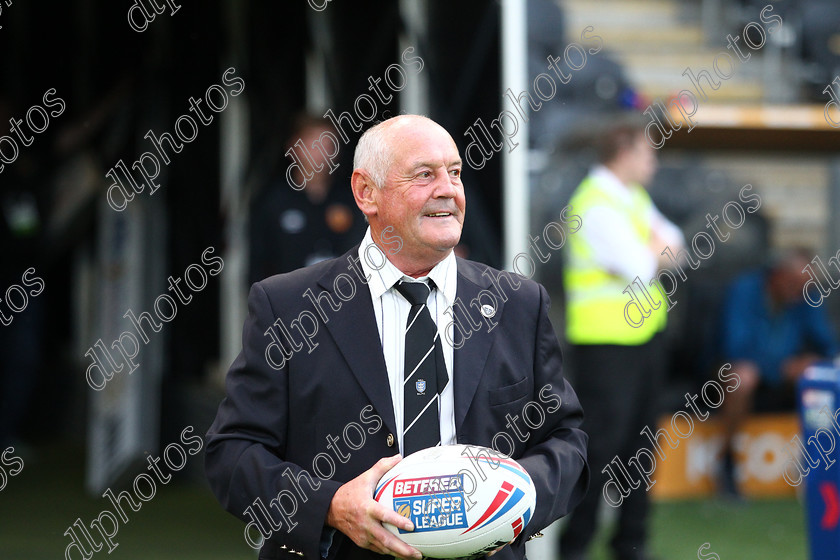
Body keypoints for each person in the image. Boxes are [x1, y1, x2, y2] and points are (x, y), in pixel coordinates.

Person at [205, 115, 589, 560]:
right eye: (425, 174)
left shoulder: (518, 304)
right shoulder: (287, 305)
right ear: (366, 192)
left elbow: (566, 440)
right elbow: (232, 455)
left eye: (455, 173)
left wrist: (511, 503)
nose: (447, 189)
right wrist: (328, 506)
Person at [560, 114, 685, 560]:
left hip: (642, 342)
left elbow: (677, 244)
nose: (653, 162)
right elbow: (644, 263)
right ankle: (574, 546)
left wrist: (653, 252)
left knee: (640, 449)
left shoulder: (629, 197)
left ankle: (630, 544)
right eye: (648, 152)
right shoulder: (593, 204)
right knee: (601, 448)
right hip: (605, 347)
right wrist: (654, 251)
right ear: (625, 152)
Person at [718, 248, 838, 495]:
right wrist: (780, 366)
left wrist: (817, 361)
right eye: (795, 284)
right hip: (740, 370)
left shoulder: (805, 296)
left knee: (818, 375)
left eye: (807, 286)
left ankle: (816, 462)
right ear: (778, 275)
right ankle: (728, 463)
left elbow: (826, 343)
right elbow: (735, 347)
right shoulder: (744, 291)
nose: (801, 293)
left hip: (782, 374)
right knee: (743, 378)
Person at [249, 114, 367, 283]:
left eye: (329, 145)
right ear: (293, 148)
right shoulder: (274, 202)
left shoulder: (353, 200)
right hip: (288, 303)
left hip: (340, 301)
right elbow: (258, 263)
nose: (322, 153)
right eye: (314, 144)